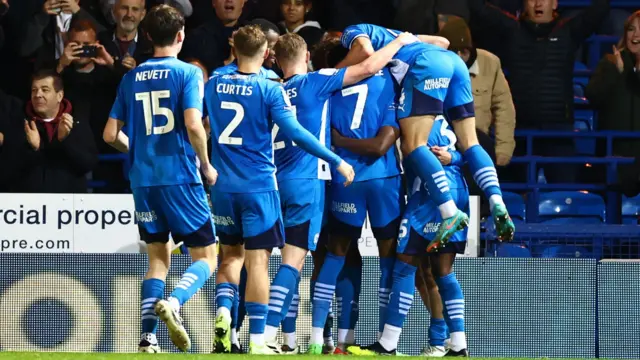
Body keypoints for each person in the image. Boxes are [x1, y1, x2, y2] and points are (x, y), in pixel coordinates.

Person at [205, 24, 355, 355]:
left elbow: (197, 125)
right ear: (266, 54)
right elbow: (297, 133)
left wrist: (202, 164)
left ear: (234, 46)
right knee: (258, 264)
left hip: (222, 187)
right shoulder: (269, 89)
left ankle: (224, 317)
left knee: (230, 258)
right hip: (259, 186)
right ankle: (260, 339)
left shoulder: (214, 82)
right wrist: (337, 161)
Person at [265, 31, 411, 354]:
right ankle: (377, 340)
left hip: (281, 180)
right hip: (342, 178)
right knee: (385, 261)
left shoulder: (270, 89)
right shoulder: (323, 84)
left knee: (319, 259)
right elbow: (369, 64)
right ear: (305, 59)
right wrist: (398, 42)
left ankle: (298, 339)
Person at [103, 5, 218, 353]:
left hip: (143, 181)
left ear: (148, 36)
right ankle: (177, 302)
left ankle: (147, 338)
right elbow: (194, 124)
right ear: (180, 36)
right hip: (180, 177)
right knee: (207, 257)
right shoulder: (187, 74)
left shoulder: (130, 77)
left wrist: (136, 151)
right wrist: (206, 164)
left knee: (157, 259)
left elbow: (109, 134)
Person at [338, 23, 514, 248]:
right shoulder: (398, 36)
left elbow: (364, 54)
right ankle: (497, 199)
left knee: (413, 145)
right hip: (455, 63)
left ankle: (449, 211)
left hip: (428, 66)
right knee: (471, 142)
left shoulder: (353, 30)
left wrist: (335, 72)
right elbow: (443, 43)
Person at [348, 115, 469, 357]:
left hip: (428, 196)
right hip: (455, 191)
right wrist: (455, 157)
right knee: (438, 272)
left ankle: (389, 343)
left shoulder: (414, 118)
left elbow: (428, 154)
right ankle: (454, 344)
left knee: (406, 267)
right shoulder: (443, 115)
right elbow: (466, 153)